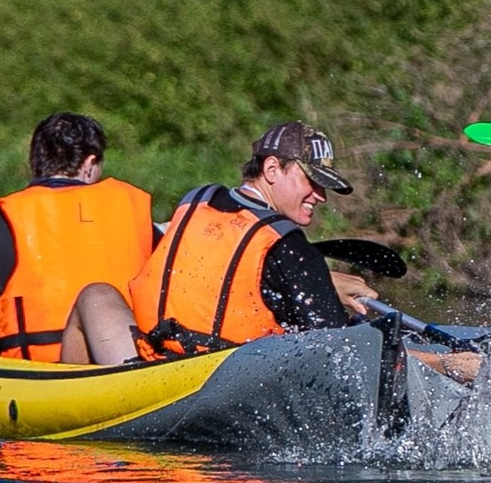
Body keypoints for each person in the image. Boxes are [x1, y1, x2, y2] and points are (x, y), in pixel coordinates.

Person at [130, 122, 379, 358]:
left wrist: (323, 280)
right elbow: (336, 348)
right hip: (225, 372)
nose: (320, 196)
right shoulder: (288, 244)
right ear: (271, 169)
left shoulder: (196, 203)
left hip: (154, 357)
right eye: (312, 181)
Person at [0, 113, 156, 364]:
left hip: (37, 372)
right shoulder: (137, 216)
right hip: (129, 365)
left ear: (35, 163)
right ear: (89, 163)